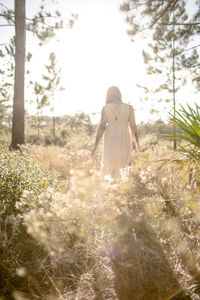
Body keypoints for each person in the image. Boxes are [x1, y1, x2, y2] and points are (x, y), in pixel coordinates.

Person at [91, 86, 140, 179]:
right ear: (119, 94)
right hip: (124, 137)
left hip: (110, 139)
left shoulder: (105, 108)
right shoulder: (129, 108)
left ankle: (113, 188)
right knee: (124, 166)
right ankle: (121, 188)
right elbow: (133, 126)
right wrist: (137, 143)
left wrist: (95, 147)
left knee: (110, 164)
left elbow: (101, 128)